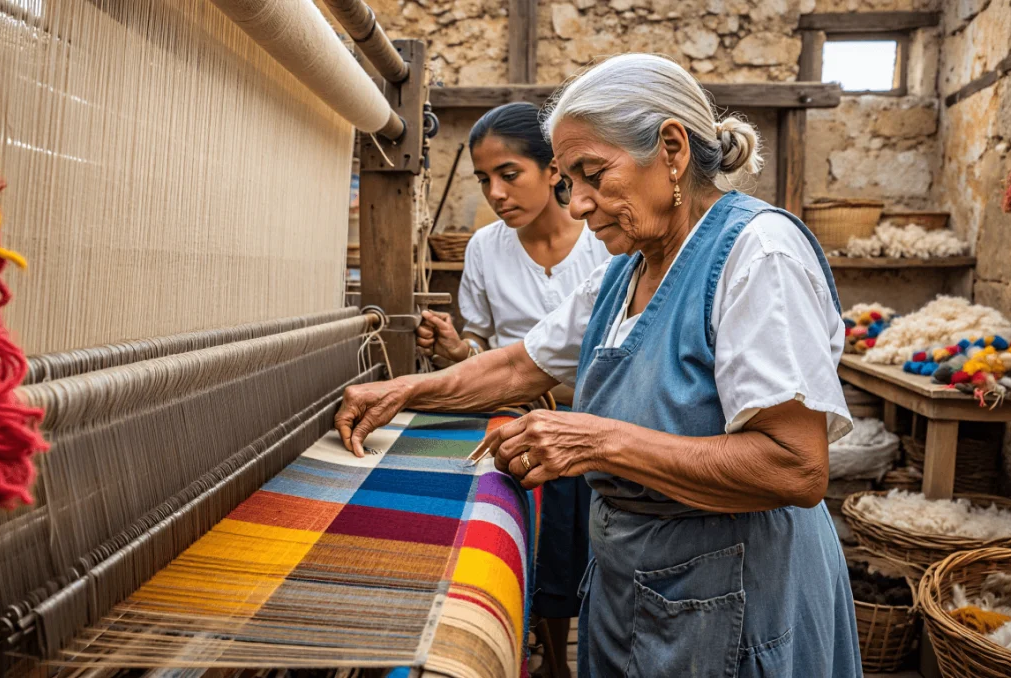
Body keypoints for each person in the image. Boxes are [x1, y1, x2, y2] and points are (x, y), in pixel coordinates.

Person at [337, 54, 862, 677]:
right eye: (568, 181)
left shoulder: (760, 256)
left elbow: (795, 467)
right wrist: (406, 391)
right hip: (638, 587)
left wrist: (598, 442)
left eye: (592, 174)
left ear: (671, 150)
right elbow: (518, 367)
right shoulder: (626, 270)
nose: (578, 204)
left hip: (739, 596)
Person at [416, 102, 609, 676]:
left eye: (509, 174)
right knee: (540, 549)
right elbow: (481, 346)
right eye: (483, 179)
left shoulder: (604, 244)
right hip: (522, 422)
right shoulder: (485, 248)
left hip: (600, 423)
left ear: (553, 171)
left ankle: (580, 649)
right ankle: (548, 655)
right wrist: (457, 351)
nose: (496, 193)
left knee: (594, 552)